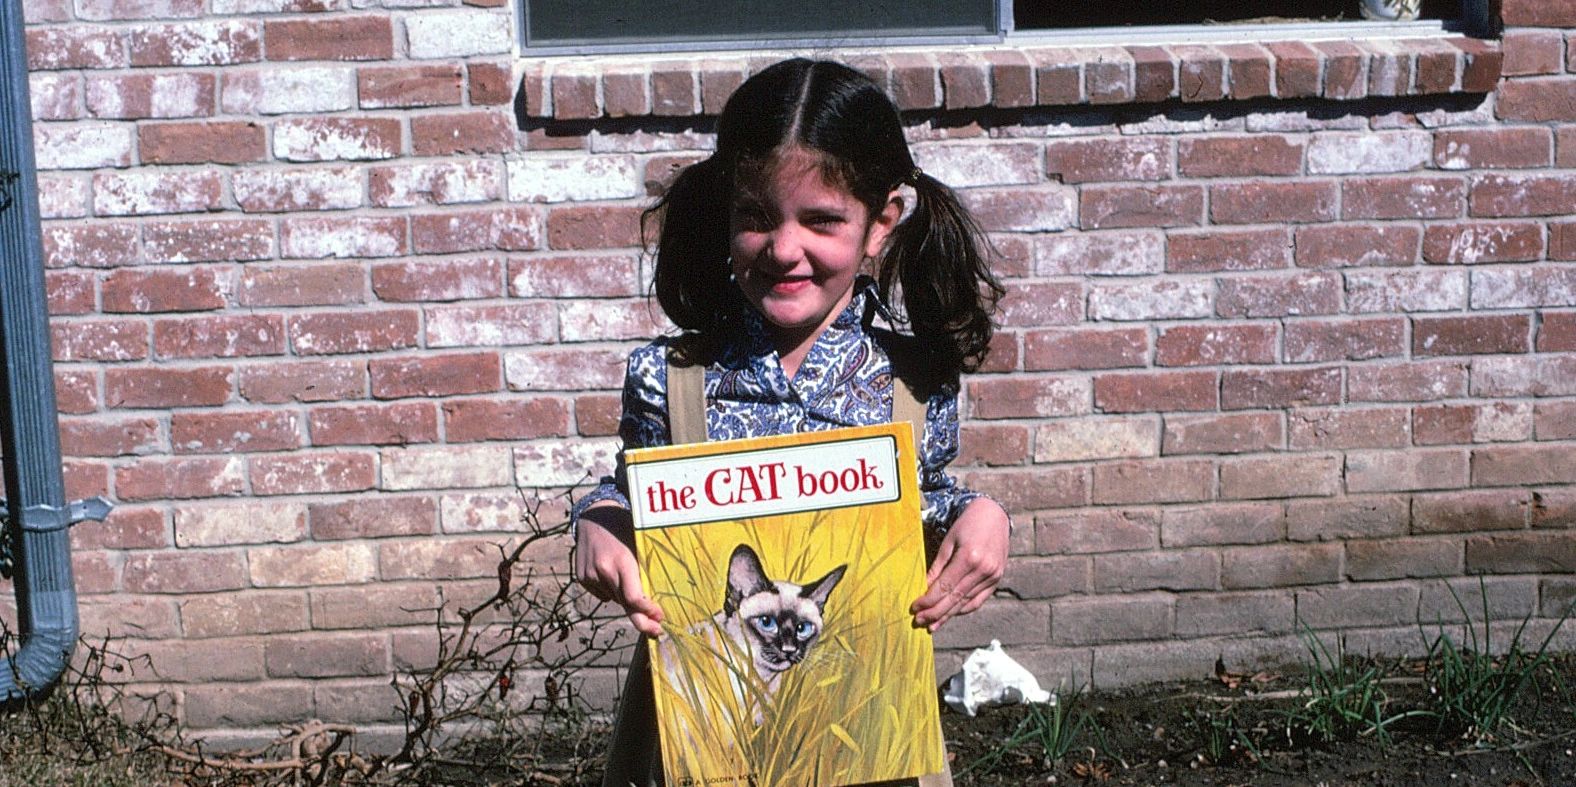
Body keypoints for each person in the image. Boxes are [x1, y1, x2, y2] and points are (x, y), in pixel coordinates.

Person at [570, 57, 1012, 787]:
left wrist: (981, 514)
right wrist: (600, 520)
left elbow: (926, 501)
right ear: (726, 216)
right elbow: (630, 494)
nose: (783, 248)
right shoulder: (671, 378)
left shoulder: (913, 382)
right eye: (756, 217)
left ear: (880, 225)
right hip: (698, 742)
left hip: (866, 750)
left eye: (822, 220)